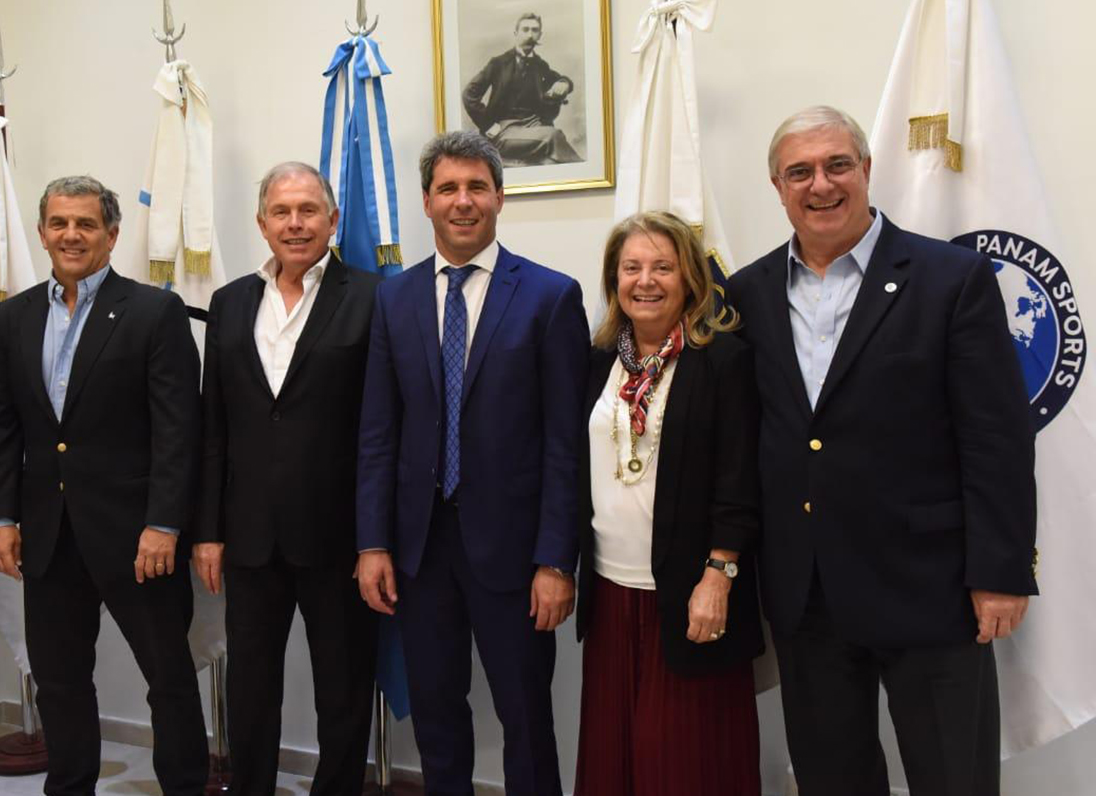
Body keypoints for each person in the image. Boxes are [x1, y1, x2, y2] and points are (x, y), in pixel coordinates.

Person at [726, 106, 1037, 796]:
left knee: (953, 779)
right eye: (799, 172)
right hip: (808, 595)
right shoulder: (747, 293)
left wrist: (1001, 570)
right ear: (777, 187)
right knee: (830, 780)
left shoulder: (951, 278)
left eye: (837, 165)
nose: (821, 185)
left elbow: (996, 438)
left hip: (931, 589)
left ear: (866, 170)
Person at [355, 130, 589, 796]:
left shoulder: (550, 296)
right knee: (436, 714)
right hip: (420, 550)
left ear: (500, 198)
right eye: (448, 188)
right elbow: (378, 433)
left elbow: (565, 443)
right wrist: (372, 543)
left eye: (477, 187)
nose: (463, 201)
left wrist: (556, 560)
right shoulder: (394, 299)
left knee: (526, 716)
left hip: (515, 554)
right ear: (426, 200)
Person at [0, 175, 208, 796]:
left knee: (169, 679)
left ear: (112, 233)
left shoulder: (154, 312)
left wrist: (164, 523)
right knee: (59, 683)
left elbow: (179, 430)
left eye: (85, 223)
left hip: (138, 538)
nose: (71, 235)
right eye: (59, 223)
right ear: (41, 232)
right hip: (48, 537)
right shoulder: (14, 316)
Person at [194, 162, 380, 796]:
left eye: (308, 210)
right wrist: (208, 530)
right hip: (249, 537)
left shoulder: (374, 297)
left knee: (344, 690)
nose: (295, 223)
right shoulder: (230, 302)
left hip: (340, 536)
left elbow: (382, 428)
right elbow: (214, 427)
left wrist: (375, 538)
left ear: (333, 219)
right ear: (262, 223)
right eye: (281, 211)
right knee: (250, 689)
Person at [573, 211, 763, 796]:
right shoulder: (599, 359)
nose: (646, 281)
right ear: (614, 279)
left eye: (663, 267)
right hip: (610, 590)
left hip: (690, 594)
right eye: (631, 267)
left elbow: (740, 481)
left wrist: (719, 575)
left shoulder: (723, 360)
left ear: (690, 278)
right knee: (615, 759)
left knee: (684, 764)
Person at [462, 12, 582, 166]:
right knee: (553, 136)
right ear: (516, 33)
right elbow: (469, 95)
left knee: (549, 162)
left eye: (535, 30)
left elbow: (561, 79)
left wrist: (564, 83)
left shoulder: (540, 65)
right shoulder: (498, 63)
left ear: (540, 35)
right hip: (505, 129)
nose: (530, 35)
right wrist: (488, 125)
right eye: (525, 30)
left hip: (534, 126)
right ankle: (583, 169)